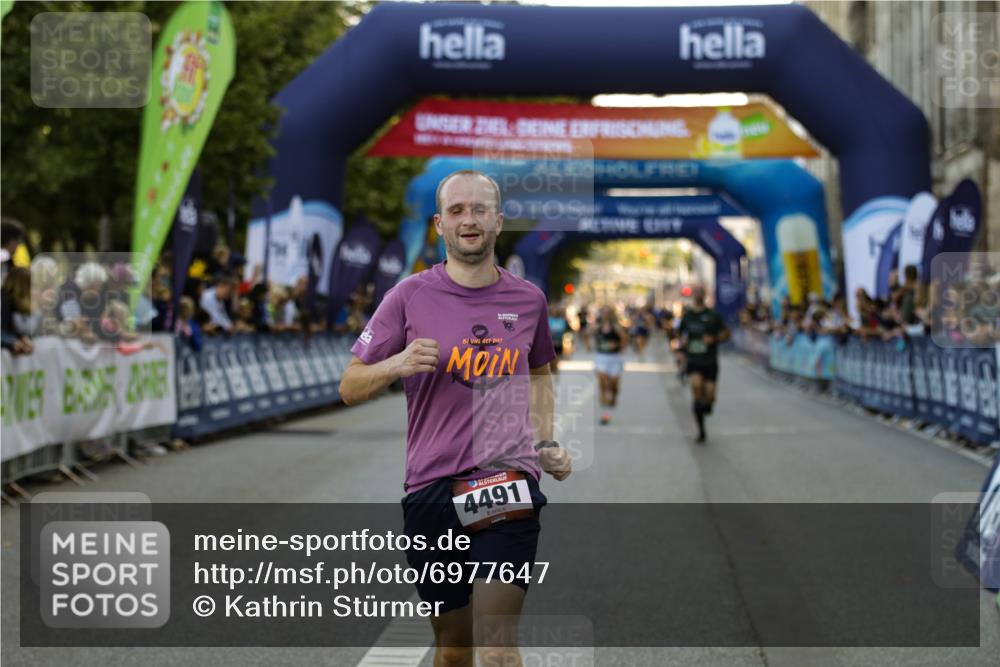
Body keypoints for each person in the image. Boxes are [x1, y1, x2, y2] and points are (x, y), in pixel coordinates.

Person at [339, 170, 571, 667]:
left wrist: (545, 442)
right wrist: (396, 364)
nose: (470, 220)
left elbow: (539, 374)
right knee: (454, 649)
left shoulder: (528, 299)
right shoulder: (408, 296)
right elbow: (349, 385)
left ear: (498, 221)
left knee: (496, 646)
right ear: (439, 223)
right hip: (431, 488)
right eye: (458, 210)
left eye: (480, 209)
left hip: (506, 481)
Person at [677, 286, 730, 443]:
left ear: (704, 295)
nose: (699, 295)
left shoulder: (713, 315)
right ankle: (701, 431)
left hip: (710, 361)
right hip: (693, 360)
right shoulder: (687, 315)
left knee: (709, 396)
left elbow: (726, 333)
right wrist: (681, 347)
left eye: (701, 292)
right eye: (697, 292)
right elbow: (680, 334)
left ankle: (707, 405)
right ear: (693, 295)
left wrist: (715, 339)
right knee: (696, 388)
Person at [593, 305, 628, 425]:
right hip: (601, 357)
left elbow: (624, 339)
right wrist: (587, 344)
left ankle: (614, 396)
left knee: (614, 387)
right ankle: (605, 414)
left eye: (608, 312)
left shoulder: (616, 328)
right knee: (603, 385)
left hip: (614, 358)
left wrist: (619, 346)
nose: (606, 315)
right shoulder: (597, 327)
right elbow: (586, 333)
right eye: (604, 312)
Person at [547, 303, 569, 375]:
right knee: (552, 357)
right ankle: (553, 368)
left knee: (558, 356)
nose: (555, 312)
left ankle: (555, 368)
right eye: (553, 311)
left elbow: (564, 329)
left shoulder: (562, 320)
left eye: (556, 311)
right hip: (550, 342)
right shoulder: (548, 319)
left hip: (559, 341)